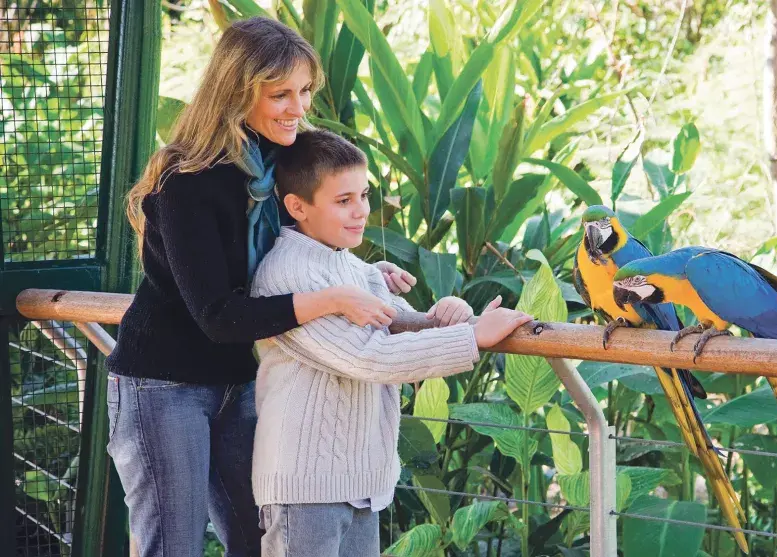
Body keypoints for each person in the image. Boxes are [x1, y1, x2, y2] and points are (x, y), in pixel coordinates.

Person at [103, 17, 412, 557]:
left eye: (305, 91)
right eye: (281, 95)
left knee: (258, 543)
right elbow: (219, 315)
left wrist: (363, 275)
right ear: (236, 92)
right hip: (163, 385)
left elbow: (305, 250)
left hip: (239, 383)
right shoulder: (188, 181)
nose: (298, 108)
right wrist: (337, 298)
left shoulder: (283, 165)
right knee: (172, 546)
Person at [250, 129, 534, 557]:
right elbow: (372, 357)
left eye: (363, 195)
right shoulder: (289, 272)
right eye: (343, 201)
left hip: (360, 485)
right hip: (304, 487)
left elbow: (395, 326)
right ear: (297, 206)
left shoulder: (355, 268)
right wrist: (472, 337)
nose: (361, 211)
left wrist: (450, 316)